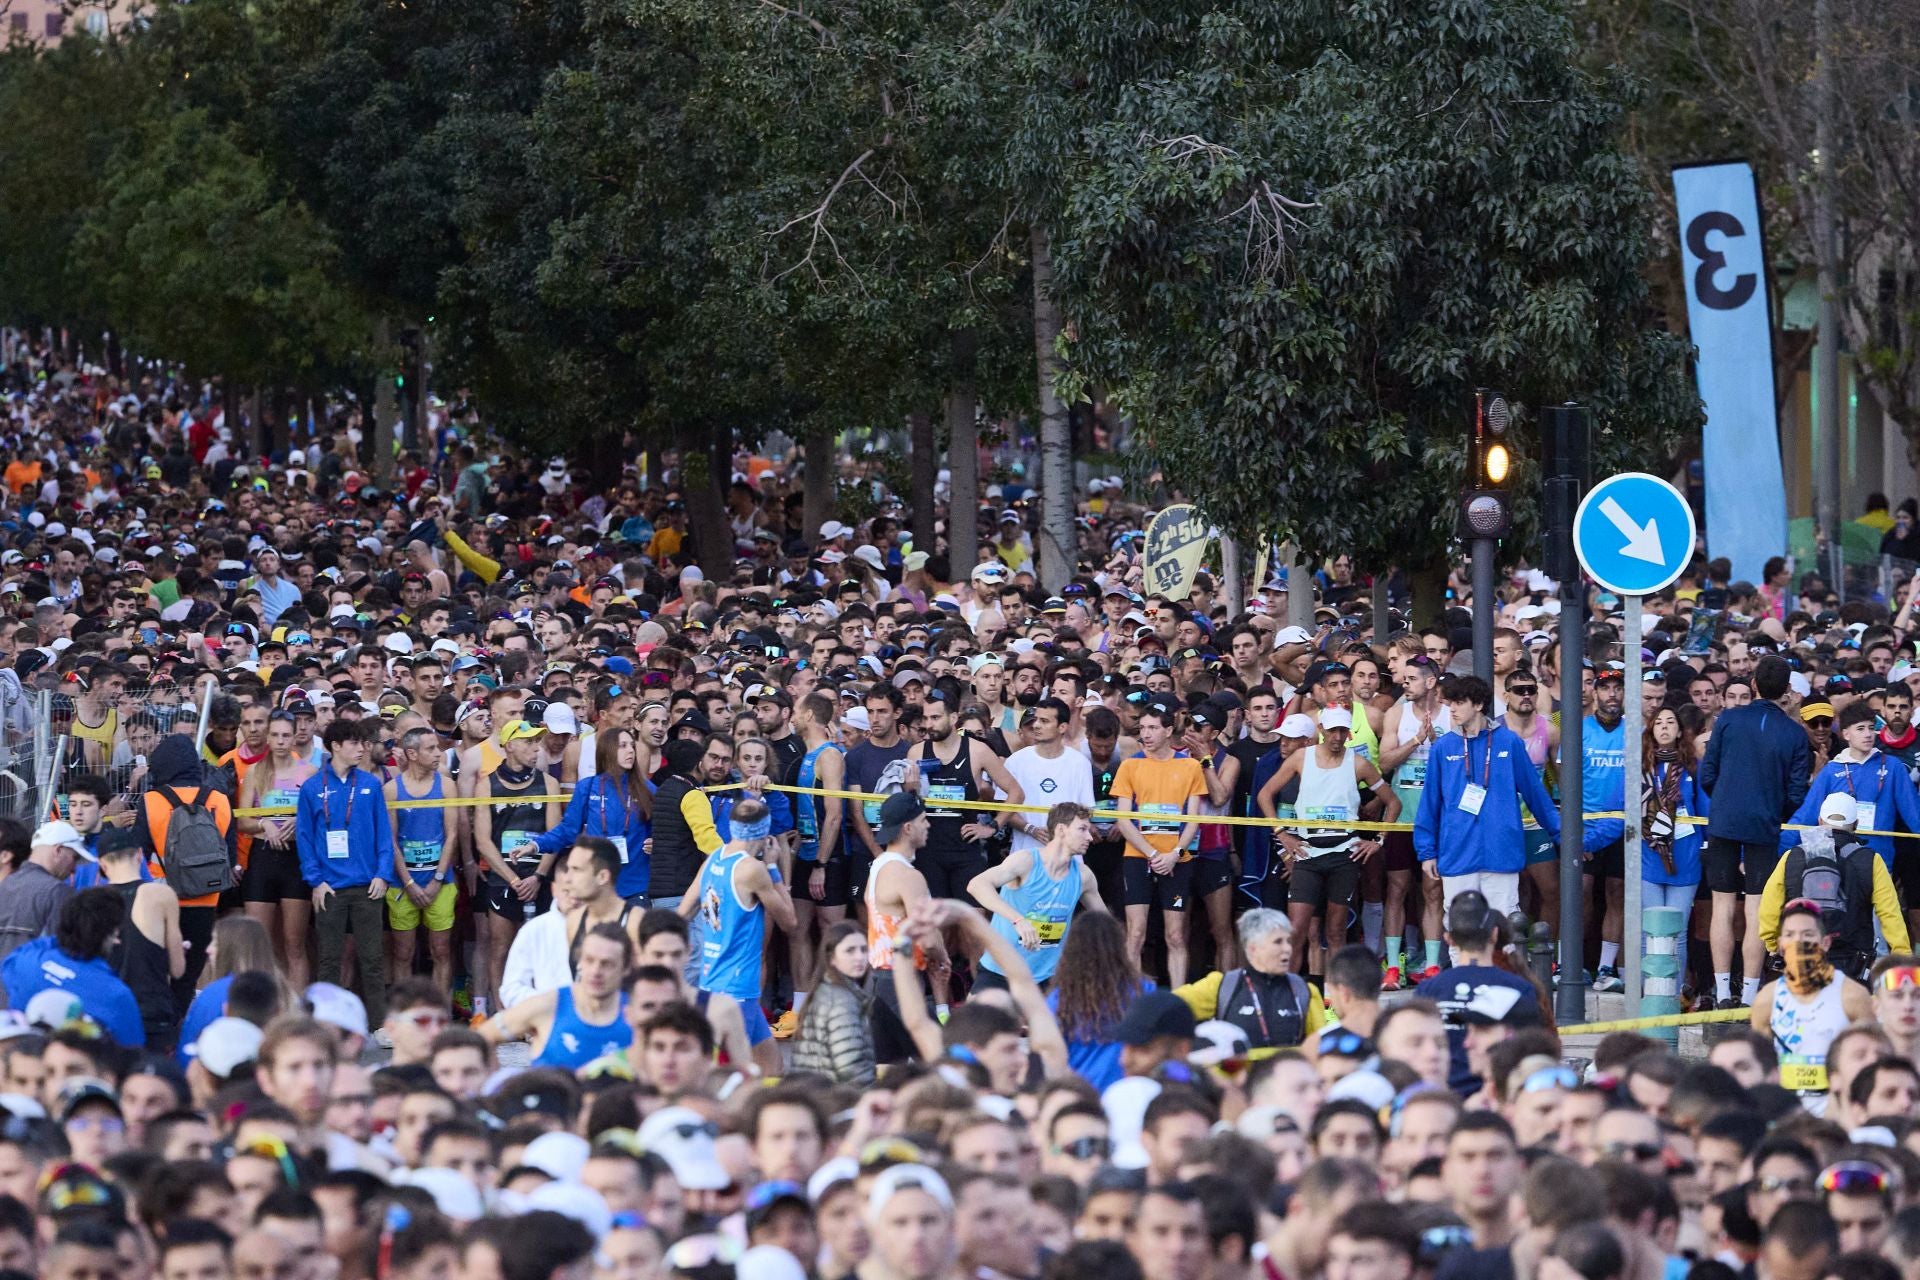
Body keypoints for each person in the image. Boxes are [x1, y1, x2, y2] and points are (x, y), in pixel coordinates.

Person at [1700, 654, 1812, 1008]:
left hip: (1724, 820)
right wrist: (1772, 812)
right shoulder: (1795, 733)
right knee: (1756, 909)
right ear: (1787, 691)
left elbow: (1707, 773)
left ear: (1753, 686)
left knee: (1722, 906)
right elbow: (1797, 792)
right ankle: (1748, 995)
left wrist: (1724, 801)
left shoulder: (1729, 720)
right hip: (1764, 824)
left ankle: (1721, 992)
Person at [1255, 707, 1397, 979]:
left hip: (1343, 853)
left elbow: (1393, 803)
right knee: (1296, 930)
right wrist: (1282, 833)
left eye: (1343, 731)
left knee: (1335, 931)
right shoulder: (1301, 757)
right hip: (1307, 853)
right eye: (1332, 730)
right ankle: (1289, 994)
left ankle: (1334, 1001)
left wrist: (1378, 840)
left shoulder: (1359, 763)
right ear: (1321, 731)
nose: (1337, 737)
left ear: (1349, 733)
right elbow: (1265, 795)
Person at [1413, 676, 1560, 925]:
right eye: (1451, 703)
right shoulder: (1443, 747)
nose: (1453, 709)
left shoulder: (1509, 742)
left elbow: (1536, 795)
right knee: (1460, 930)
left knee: (1502, 928)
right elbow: (1430, 803)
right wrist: (1427, 852)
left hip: (1501, 852)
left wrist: (1561, 834)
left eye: (1460, 702)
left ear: (1479, 705)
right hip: (1457, 853)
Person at [679, 797, 795, 1075]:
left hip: (716, 982)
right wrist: (772, 866)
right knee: (732, 1077)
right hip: (735, 991)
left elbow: (683, 911)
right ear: (765, 832)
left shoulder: (713, 858)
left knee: (772, 1066)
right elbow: (790, 921)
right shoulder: (752, 870)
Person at [295, 718, 393, 1028]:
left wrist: (382, 874)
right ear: (335, 746)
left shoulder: (370, 784)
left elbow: (383, 834)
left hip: (367, 885)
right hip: (330, 887)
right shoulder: (312, 787)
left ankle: (377, 1025)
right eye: (354, 743)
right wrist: (315, 880)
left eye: (363, 743)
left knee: (373, 961)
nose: (361, 748)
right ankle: (327, 1026)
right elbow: (305, 837)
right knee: (328, 961)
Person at [1758, 793, 1910, 979]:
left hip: (1800, 954)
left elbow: (1769, 908)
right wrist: (1902, 954)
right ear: (1856, 824)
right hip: (1853, 960)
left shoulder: (1792, 857)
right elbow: (1890, 914)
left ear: (1820, 820)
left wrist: (1773, 945)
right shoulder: (1871, 861)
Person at [1110, 702, 1209, 985]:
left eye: (1153, 728)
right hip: (1138, 857)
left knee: (1176, 935)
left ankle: (1179, 997)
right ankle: (1129, 999)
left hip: (1177, 859)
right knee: (1136, 933)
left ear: (1168, 730)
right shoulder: (1131, 765)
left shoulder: (1190, 765)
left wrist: (1175, 854)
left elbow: (1193, 819)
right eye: (1142, 728)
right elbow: (1124, 820)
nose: (1147, 734)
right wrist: (1153, 853)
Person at [139, 733, 238, 1010]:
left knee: (158, 970)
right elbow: (228, 856)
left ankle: (161, 1029)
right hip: (206, 900)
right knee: (188, 975)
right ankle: (180, 1022)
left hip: (160, 898)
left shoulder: (152, 801)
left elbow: (138, 854)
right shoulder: (219, 800)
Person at [900, 686, 1024, 900]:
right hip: (929, 851)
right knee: (936, 921)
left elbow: (1016, 792)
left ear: (954, 717)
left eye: (936, 717)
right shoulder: (917, 752)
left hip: (966, 850)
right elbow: (909, 804)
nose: (929, 724)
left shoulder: (978, 750)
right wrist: (910, 790)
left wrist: (993, 826)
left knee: (972, 920)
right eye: (926, 718)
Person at [1751, 899, 1873, 1114]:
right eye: (1790, 935)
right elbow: (1759, 1063)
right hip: (1784, 1112)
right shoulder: (1767, 999)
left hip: (1837, 1112)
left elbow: (1871, 1061)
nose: (1799, 943)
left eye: (1808, 935)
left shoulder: (1853, 995)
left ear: (1825, 943)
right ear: (1780, 944)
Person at [969, 802, 1106, 988]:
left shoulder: (1083, 876)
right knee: (974, 1017)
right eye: (1082, 829)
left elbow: (1105, 924)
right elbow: (977, 884)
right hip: (1001, 971)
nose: (1090, 837)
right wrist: (1018, 920)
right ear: (1061, 830)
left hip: (1048, 977)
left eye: (1089, 830)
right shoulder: (1026, 861)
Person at [235, 709, 318, 987]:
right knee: (260, 940)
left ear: (295, 737)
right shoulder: (256, 771)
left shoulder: (309, 774)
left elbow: (320, 817)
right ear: (268, 737)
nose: (281, 741)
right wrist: (264, 825)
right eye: (276, 735)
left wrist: (300, 819)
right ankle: (261, 1005)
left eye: (286, 735)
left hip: (295, 858)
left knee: (294, 943)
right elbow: (243, 819)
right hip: (263, 858)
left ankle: (295, 1010)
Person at [481, 921, 634, 1071]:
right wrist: (497, 1083)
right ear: (579, 961)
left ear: (626, 968)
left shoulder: (637, 1015)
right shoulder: (549, 1004)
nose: (596, 972)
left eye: (607, 964)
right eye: (589, 960)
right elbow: (483, 1037)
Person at [1, 887, 145, 1045]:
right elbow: (132, 1054)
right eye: (115, 933)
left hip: (21, 1062)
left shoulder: (25, 960)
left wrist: (70, 934)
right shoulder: (116, 996)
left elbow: (19, 956)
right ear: (110, 935)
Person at [1175, 909, 1327, 1056]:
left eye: (1288, 941)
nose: (1287, 948)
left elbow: (1331, 1035)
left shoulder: (1306, 991)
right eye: (1278, 942)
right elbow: (1166, 1006)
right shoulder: (1221, 986)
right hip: (1235, 1079)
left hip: (1285, 1078)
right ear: (1253, 948)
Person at [1639, 704, 1708, 994]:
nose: (1665, 726)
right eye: (1659, 722)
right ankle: (1650, 993)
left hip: (1686, 857)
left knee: (1677, 933)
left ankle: (1673, 994)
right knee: (1651, 930)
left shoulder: (1693, 767)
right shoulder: (1640, 768)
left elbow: (1705, 810)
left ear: (1680, 731)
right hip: (1648, 857)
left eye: (1671, 722)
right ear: (1651, 730)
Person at [96, 827, 184, 1051]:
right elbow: (177, 969)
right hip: (150, 1012)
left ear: (103, 866)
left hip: (107, 1012)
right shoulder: (160, 895)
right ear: (138, 856)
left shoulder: (91, 901)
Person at [385, 723, 457, 992]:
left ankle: (441, 1015)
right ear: (412, 754)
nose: (438, 753)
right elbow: (390, 841)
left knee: (441, 951)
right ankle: (403, 1018)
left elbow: (451, 835)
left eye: (437, 747)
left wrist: (438, 879)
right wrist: (409, 884)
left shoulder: (447, 786)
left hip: (440, 881)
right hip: (402, 884)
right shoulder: (391, 790)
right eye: (430, 749)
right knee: (403, 953)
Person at [1580, 668, 1629, 991]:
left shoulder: (1635, 730)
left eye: (1617, 688)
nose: (1612, 694)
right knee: (1580, 894)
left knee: (1616, 895)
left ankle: (1604, 968)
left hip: (1625, 828)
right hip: (1586, 825)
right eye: (1605, 688)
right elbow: (1565, 780)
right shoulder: (1579, 729)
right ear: (1595, 692)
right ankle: (1573, 962)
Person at [789, 921, 879, 1085]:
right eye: (850, 951)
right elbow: (849, 1067)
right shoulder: (842, 1001)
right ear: (832, 958)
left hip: (817, 1095)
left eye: (864, 949)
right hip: (836, 1099)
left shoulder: (825, 991)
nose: (859, 957)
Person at [0, 819, 89, 966]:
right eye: (75, 858)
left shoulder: (5, 884)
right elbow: (64, 952)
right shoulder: (57, 891)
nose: (74, 869)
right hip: (32, 984)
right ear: (58, 850)